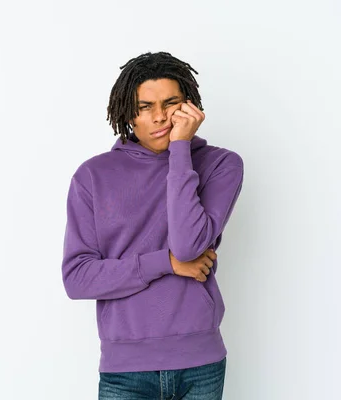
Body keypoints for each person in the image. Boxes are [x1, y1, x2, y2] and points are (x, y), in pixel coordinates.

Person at [61, 51, 244, 399]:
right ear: (127, 112)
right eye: (145, 106)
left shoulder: (221, 165)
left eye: (170, 103)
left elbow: (189, 245)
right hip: (125, 372)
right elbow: (77, 278)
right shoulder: (92, 176)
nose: (159, 117)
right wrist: (168, 264)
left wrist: (180, 148)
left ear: (189, 105)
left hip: (200, 364)